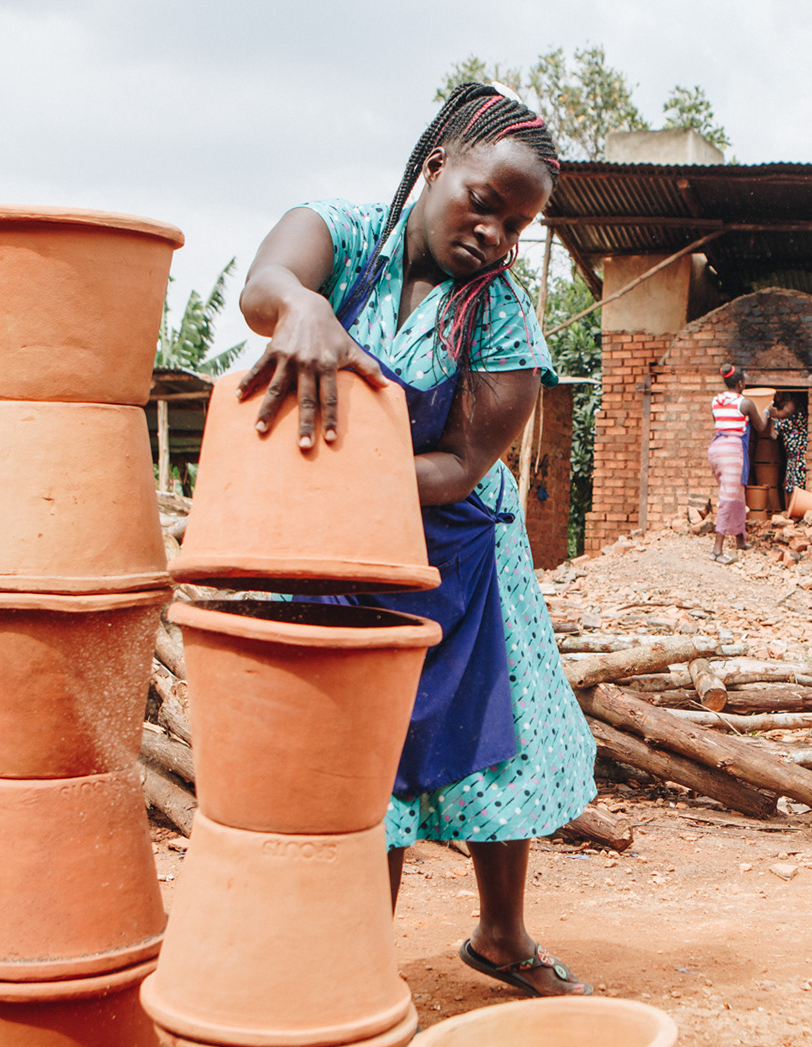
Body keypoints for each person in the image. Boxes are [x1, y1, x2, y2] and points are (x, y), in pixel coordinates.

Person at [235, 82, 595, 995]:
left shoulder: (502, 316)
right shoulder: (348, 235)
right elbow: (262, 285)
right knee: (368, 757)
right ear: (437, 167)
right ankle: (359, 971)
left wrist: (346, 481)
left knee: (491, 741)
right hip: (332, 553)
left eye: (516, 226)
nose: (494, 236)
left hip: (459, 553)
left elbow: (462, 465)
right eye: (484, 202)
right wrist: (302, 308)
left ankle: (502, 935)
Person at [709, 364, 766, 562]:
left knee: (738, 494)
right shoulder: (745, 403)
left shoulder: (716, 401)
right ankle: (717, 549)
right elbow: (760, 426)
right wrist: (767, 412)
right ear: (740, 383)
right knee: (728, 498)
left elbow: (720, 422)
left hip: (716, 449)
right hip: (732, 452)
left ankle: (740, 538)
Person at [768, 391, 810, 508]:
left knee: (797, 484)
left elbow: (786, 413)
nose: (778, 395)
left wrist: (772, 413)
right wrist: (771, 418)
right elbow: (773, 435)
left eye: (779, 392)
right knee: (788, 485)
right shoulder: (777, 414)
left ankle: (798, 511)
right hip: (791, 456)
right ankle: (790, 512)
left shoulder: (792, 402)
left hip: (800, 452)